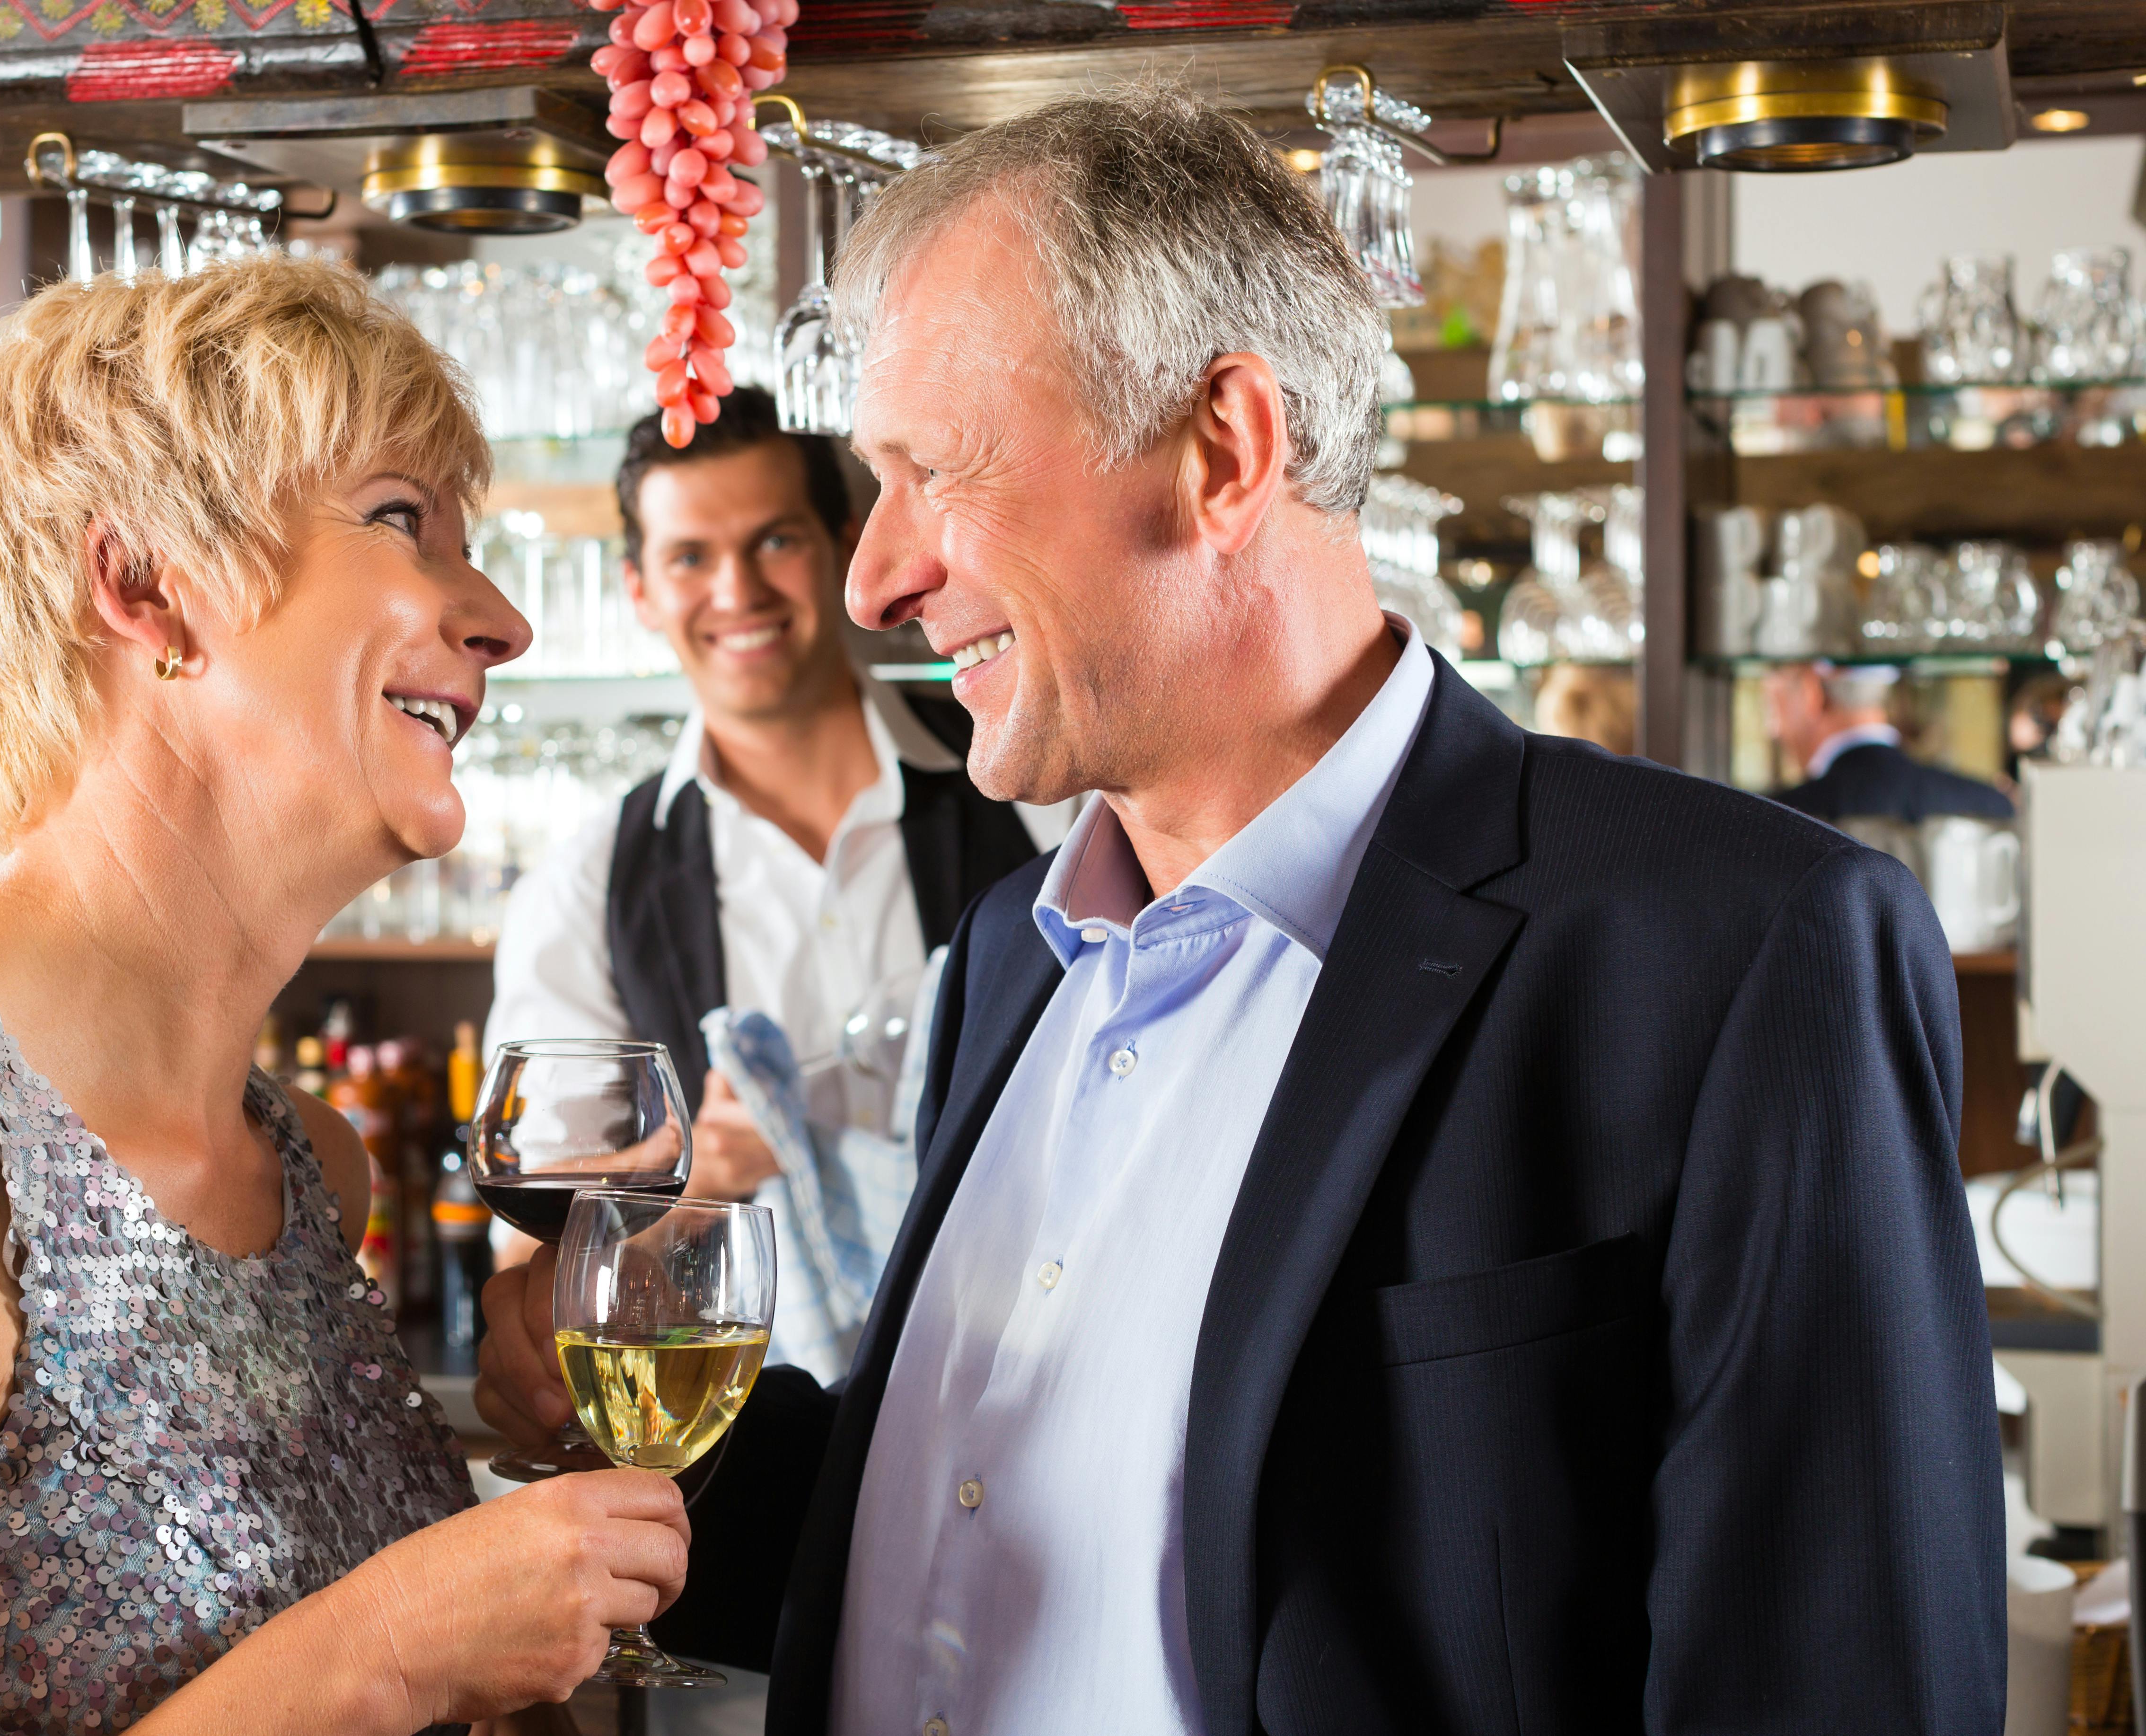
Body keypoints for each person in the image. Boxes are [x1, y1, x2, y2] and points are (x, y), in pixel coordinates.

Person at [480, 88, 2004, 1735]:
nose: (873, 581)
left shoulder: (1733, 949)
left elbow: (1836, 1676)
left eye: (935, 468)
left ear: (1223, 449)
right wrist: (633, 1451)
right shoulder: (1012, 953)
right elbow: (970, 1524)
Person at [0, 257, 690, 1736]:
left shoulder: (311, 1165)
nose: (497, 616)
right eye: (398, 521)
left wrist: (557, 1510)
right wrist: (383, 1648)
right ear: (142, 587)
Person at [485, 386, 1050, 1216]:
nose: (737, 590)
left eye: (775, 540)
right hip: (738, 1349)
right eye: (688, 558)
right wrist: (687, 1169)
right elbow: (530, 1266)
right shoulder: (583, 889)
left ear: (843, 547)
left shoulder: (1031, 778)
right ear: (639, 589)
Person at [1768, 660, 2015, 824]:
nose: (1774, 730)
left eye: (1773, 706)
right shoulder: (1989, 803)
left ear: (1813, 694)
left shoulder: (1776, 818)